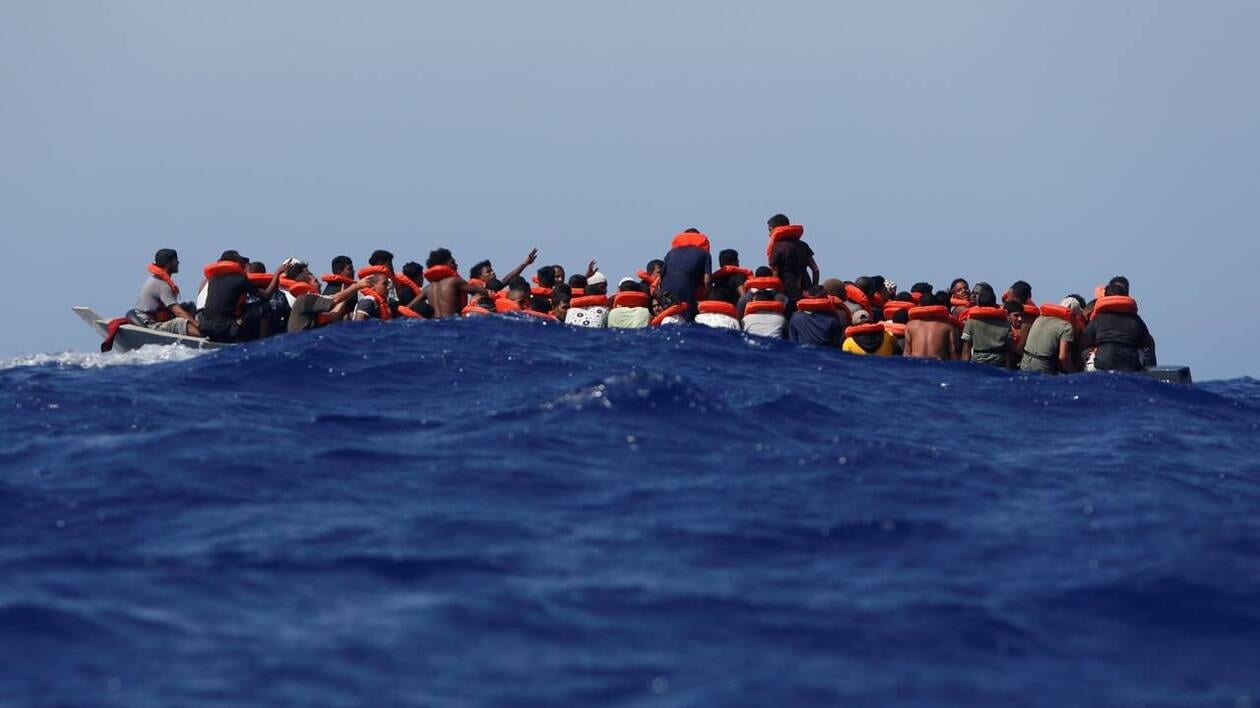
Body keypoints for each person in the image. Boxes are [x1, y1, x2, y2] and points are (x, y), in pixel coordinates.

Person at [198, 251, 289, 342]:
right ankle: (261, 343)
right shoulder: (240, 280)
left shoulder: (213, 280)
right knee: (265, 306)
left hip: (206, 326)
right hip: (225, 329)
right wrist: (277, 273)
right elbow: (267, 295)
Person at [1083, 283, 1155, 372]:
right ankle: (1151, 377)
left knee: (1085, 352)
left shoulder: (1098, 319)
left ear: (1105, 298)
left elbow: (1084, 341)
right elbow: (1147, 344)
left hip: (1102, 364)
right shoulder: (1135, 319)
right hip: (1130, 365)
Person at [132, 248, 201, 337]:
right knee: (181, 323)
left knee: (189, 307)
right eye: (175, 260)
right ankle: (205, 337)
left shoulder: (157, 279)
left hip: (158, 317)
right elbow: (177, 311)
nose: (178, 263)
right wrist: (199, 326)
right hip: (151, 324)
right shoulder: (161, 284)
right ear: (168, 264)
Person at [1019, 296, 1083, 374]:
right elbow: (1063, 357)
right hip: (1043, 369)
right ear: (1073, 315)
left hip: (1024, 364)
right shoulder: (1066, 327)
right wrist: (1073, 372)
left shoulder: (1040, 318)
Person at [418, 248, 486, 318]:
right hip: (451, 323)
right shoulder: (454, 281)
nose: (456, 265)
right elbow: (481, 291)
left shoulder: (428, 288)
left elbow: (410, 306)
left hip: (434, 324)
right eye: (452, 262)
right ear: (443, 265)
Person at [288, 275, 368, 333]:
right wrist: (358, 285)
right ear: (306, 284)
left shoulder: (310, 304)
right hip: (300, 343)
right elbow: (334, 299)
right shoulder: (305, 298)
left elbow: (333, 316)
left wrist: (345, 296)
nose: (320, 284)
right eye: (316, 281)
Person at [766, 213, 818, 300]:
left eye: (770, 230)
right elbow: (815, 270)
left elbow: (775, 275)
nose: (769, 234)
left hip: (787, 291)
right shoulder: (803, 245)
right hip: (806, 289)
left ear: (775, 229)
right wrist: (814, 288)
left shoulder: (777, 247)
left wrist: (776, 295)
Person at [960, 283, 1012, 368]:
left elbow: (966, 350)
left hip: (977, 365)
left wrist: (964, 370)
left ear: (979, 303)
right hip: (998, 365)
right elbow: (1008, 351)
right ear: (994, 303)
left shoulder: (971, 322)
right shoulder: (1005, 323)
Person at [659, 229, 712, 311]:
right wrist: (710, 295)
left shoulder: (671, 253)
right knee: (688, 315)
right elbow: (707, 280)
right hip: (686, 285)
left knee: (670, 313)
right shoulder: (704, 254)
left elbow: (662, 275)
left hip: (666, 286)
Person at [903, 295, 959, 360]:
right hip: (937, 365)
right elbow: (953, 351)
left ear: (919, 306)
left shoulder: (910, 325)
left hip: (916, 364)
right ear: (936, 306)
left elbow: (906, 352)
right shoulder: (946, 325)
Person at [469, 248, 538, 287]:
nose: (493, 272)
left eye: (492, 270)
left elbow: (506, 279)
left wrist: (525, 263)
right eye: (488, 272)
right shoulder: (476, 289)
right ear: (479, 277)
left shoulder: (494, 288)